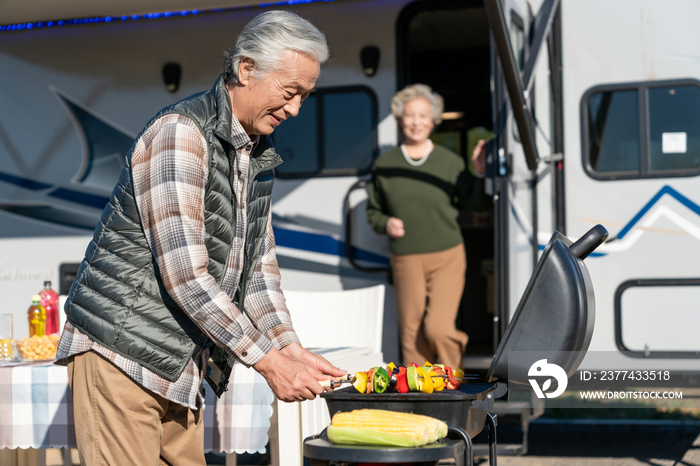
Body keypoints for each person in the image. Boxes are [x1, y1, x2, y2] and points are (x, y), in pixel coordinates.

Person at [55, 10, 345, 466]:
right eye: (290, 93)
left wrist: (290, 348)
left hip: (178, 364)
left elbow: (259, 274)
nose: (295, 110)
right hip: (121, 354)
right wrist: (269, 362)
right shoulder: (181, 134)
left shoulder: (255, 155)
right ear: (246, 69)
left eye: (305, 97)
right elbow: (185, 277)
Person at [366, 84, 486, 370]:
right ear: (400, 120)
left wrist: (479, 172)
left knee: (438, 328)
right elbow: (373, 212)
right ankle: (420, 396)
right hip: (406, 257)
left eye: (423, 115)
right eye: (410, 115)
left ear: (433, 120)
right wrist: (386, 223)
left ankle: (454, 384)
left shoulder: (451, 163)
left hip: (447, 254)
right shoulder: (385, 164)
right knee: (411, 332)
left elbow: (477, 204)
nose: (417, 121)